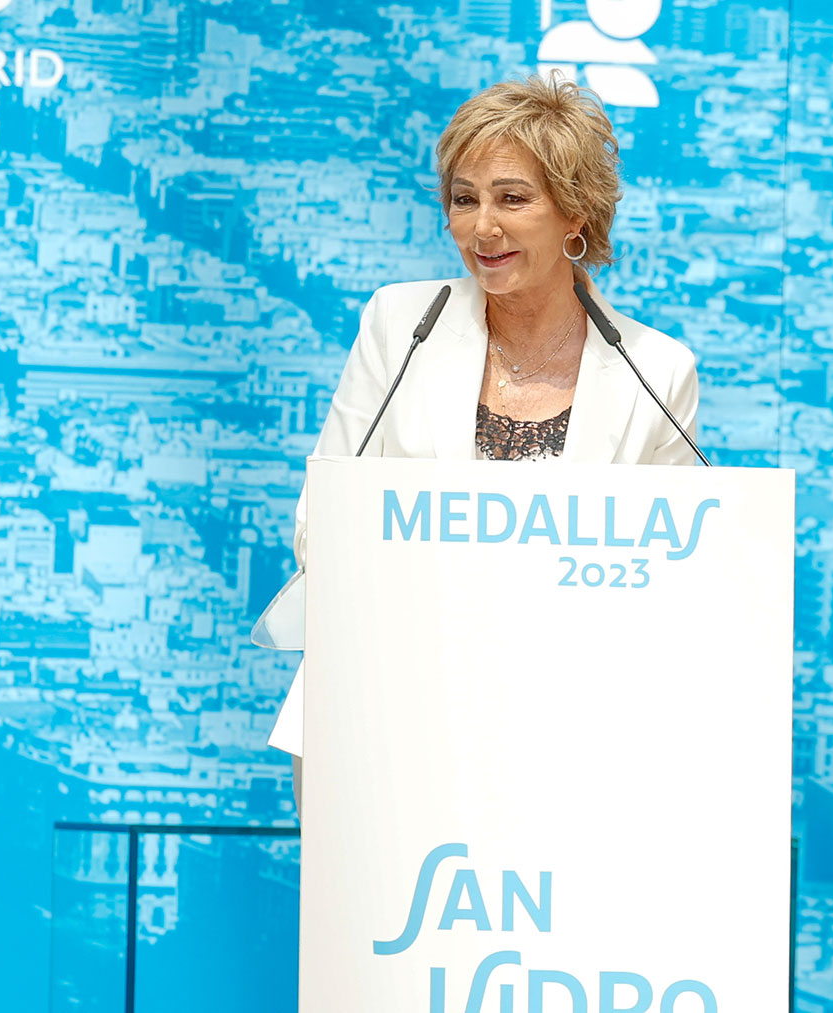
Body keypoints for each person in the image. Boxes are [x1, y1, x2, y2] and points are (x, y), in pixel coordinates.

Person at [265, 75, 703, 804]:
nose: (481, 227)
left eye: (512, 198)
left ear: (576, 212)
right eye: (464, 199)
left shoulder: (655, 369)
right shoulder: (398, 324)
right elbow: (322, 522)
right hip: (386, 710)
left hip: (570, 734)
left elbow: (678, 571)